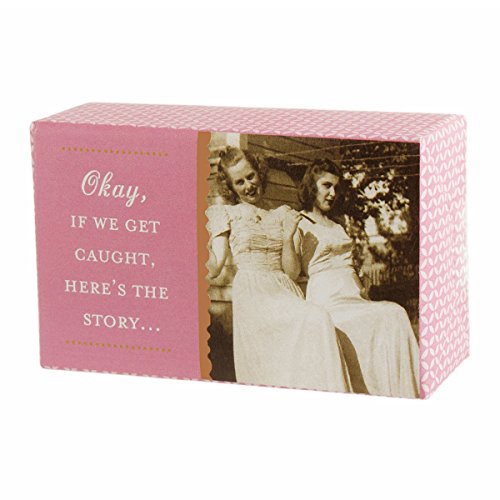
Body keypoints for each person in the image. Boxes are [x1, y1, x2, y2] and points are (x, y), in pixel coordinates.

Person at [206, 146, 350, 392]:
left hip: (282, 289)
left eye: (250, 176)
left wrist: (288, 237)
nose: (248, 185)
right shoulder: (225, 214)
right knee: (310, 323)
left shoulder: (282, 214)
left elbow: (291, 272)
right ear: (231, 187)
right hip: (253, 294)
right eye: (239, 182)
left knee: (316, 319)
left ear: (259, 172)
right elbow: (216, 264)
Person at [298, 159, 420, 398]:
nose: (333, 193)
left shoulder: (338, 225)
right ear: (311, 185)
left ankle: (401, 392)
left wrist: (361, 285)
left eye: (336, 187)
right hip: (328, 300)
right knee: (385, 315)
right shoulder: (299, 223)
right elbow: (294, 270)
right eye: (326, 186)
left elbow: (349, 263)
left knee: (395, 313)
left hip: (354, 296)